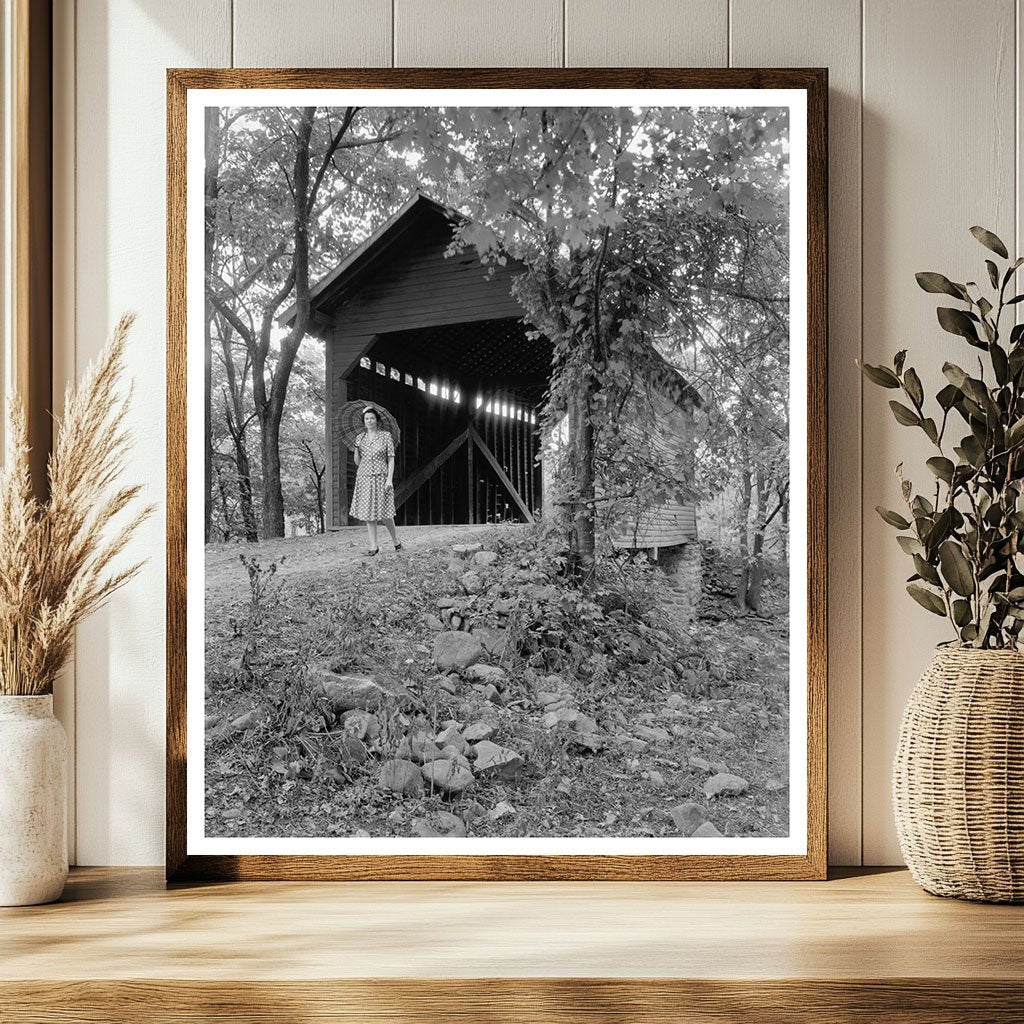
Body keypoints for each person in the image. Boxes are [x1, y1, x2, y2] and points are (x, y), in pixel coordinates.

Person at [350, 406, 402, 556]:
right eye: (366, 419)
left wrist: (389, 480)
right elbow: (358, 462)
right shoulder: (360, 438)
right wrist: (356, 448)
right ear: (364, 421)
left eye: (372, 418)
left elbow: (391, 459)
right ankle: (374, 546)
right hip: (364, 476)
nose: (369, 421)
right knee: (368, 513)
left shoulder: (386, 436)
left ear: (377, 420)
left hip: (381, 476)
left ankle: (395, 540)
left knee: (385, 513)